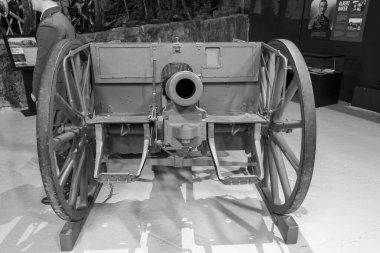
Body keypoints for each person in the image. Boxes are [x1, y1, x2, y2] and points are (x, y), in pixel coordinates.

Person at [30, 0, 75, 102]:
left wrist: (36, 92)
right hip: (66, 85)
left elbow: (43, 62)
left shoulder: (49, 25)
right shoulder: (61, 18)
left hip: (54, 90)